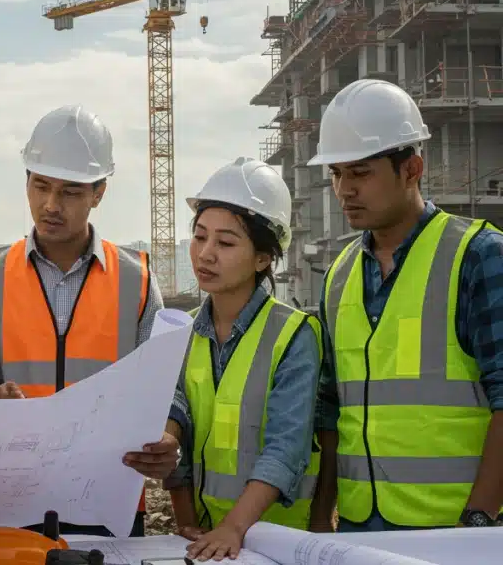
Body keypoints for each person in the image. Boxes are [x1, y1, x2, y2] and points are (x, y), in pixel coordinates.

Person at [0, 104, 181, 537]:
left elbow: (166, 388)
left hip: (107, 499)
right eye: (41, 186)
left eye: (71, 192)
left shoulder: (136, 282)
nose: (50, 205)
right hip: (10, 499)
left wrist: (170, 438)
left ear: (99, 193)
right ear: (26, 182)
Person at [309, 78, 503, 532]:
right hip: (360, 527)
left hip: (455, 533)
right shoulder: (339, 276)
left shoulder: (478, 255)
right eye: (336, 174)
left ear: (411, 168)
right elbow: (332, 409)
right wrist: (322, 520)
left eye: (360, 173)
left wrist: (479, 517)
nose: (343, 191)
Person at [164, 157, 322, 561]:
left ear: (263, 258)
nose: (206, 254)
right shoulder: (182, 335)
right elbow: (178, 435)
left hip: (273, 543)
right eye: (200, 237)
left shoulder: (294, 335)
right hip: (206, 542)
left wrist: (234, 526)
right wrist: (187, 524)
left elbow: (286, 449)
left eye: (226, 242)